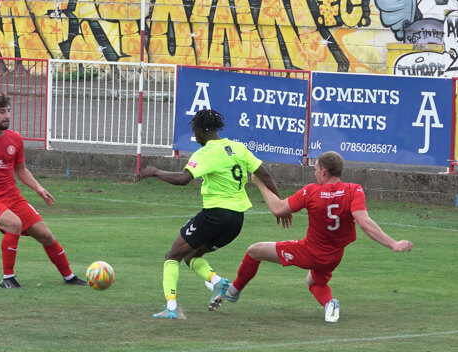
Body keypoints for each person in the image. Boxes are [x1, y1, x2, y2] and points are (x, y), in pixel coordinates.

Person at [212, 151, 412, 323]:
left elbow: (278, 209)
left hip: (309, 252)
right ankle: (330, 305)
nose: (314, 173)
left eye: (315, 169)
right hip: (334, 256)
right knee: (314, 282)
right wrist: (393, 244)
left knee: (254, 251)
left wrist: (259, 183)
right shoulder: (354, 190)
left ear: (324, 171)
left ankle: (232, 292)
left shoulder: (311, 192)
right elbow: (365, 223)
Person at [139, 108, 283, 320]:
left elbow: (183, 179)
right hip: (236, 221)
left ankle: (171, 308)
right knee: (191, 255)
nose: (195, 137)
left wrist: (156, 172)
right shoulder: (238, 148)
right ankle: (217, 282)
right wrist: (278, 203)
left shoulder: (206, 153)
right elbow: (264, 173)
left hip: (215, 215)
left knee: (172, 256)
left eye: (195, 132)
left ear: (201, 130)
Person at [0, 93, 87, 289]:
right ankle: (7, 278)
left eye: (8, 111)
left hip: (13, 197)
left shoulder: (15, 140)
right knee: (14, 224)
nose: (6, 115)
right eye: (1, 112)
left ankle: (69, 277)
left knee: (46, 235)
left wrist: (38, 188)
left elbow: (21, 169)